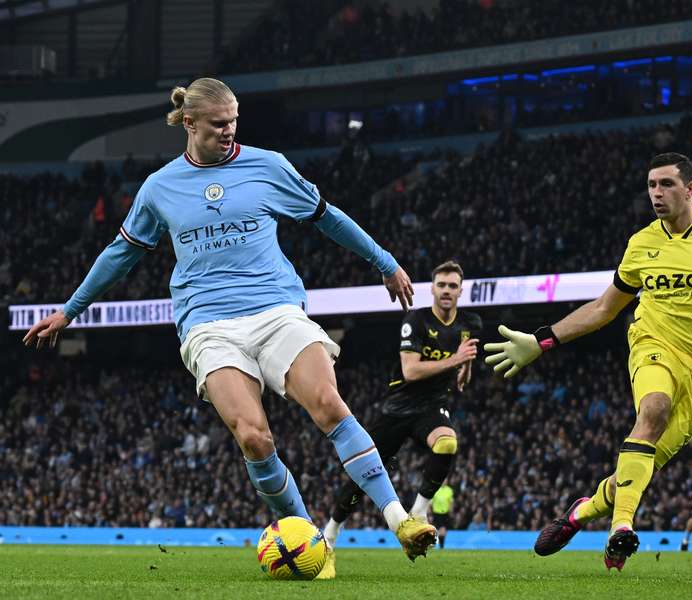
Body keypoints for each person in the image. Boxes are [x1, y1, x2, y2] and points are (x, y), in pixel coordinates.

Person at [22, 78, 436, 576]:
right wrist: (71, 309)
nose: (229, 131)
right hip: (208, 325)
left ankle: (400, 521)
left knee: (328, 403)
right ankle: (307, 542)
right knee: (253, 437)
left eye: (234, 121)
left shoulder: (268, 165)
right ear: (190, 123)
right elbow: (121, 253)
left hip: (276, 310)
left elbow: (327, 217)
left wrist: (385, 261)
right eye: (219, 124)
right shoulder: (159, 187)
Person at [485, 153, 692, 571]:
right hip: (654, 343)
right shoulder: (641, 243)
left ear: (690, 188)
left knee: (643, 465)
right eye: (651, 185)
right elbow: (606, 308)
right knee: (654, 408)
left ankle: (583, 511)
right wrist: (543, 341)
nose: (656, 193)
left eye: (666, 184)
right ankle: (620, 528)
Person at [323, 260, 481, 567]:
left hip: (431, 408)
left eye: (452, 286)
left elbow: (466, 353)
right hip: (398, 408)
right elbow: (410, 371)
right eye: (442, 285)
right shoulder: (416, 321)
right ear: (433, 289)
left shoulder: (470, 323)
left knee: (447, 442)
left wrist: (465, 368)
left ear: (461, 291)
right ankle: (330, 533)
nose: (447, 291)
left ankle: (419, 511)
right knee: (363, 473)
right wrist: (456, 361)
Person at [431, 482, 454, 549]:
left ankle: (440, 546)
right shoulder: (435, 489)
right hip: (437, 513)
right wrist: (430, 512)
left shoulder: (449, 490)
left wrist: (451, 511)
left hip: (445, 513)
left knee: (443, 531)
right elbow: (431, 502)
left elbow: (451, 502)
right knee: (442, 530)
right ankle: (441, 546)